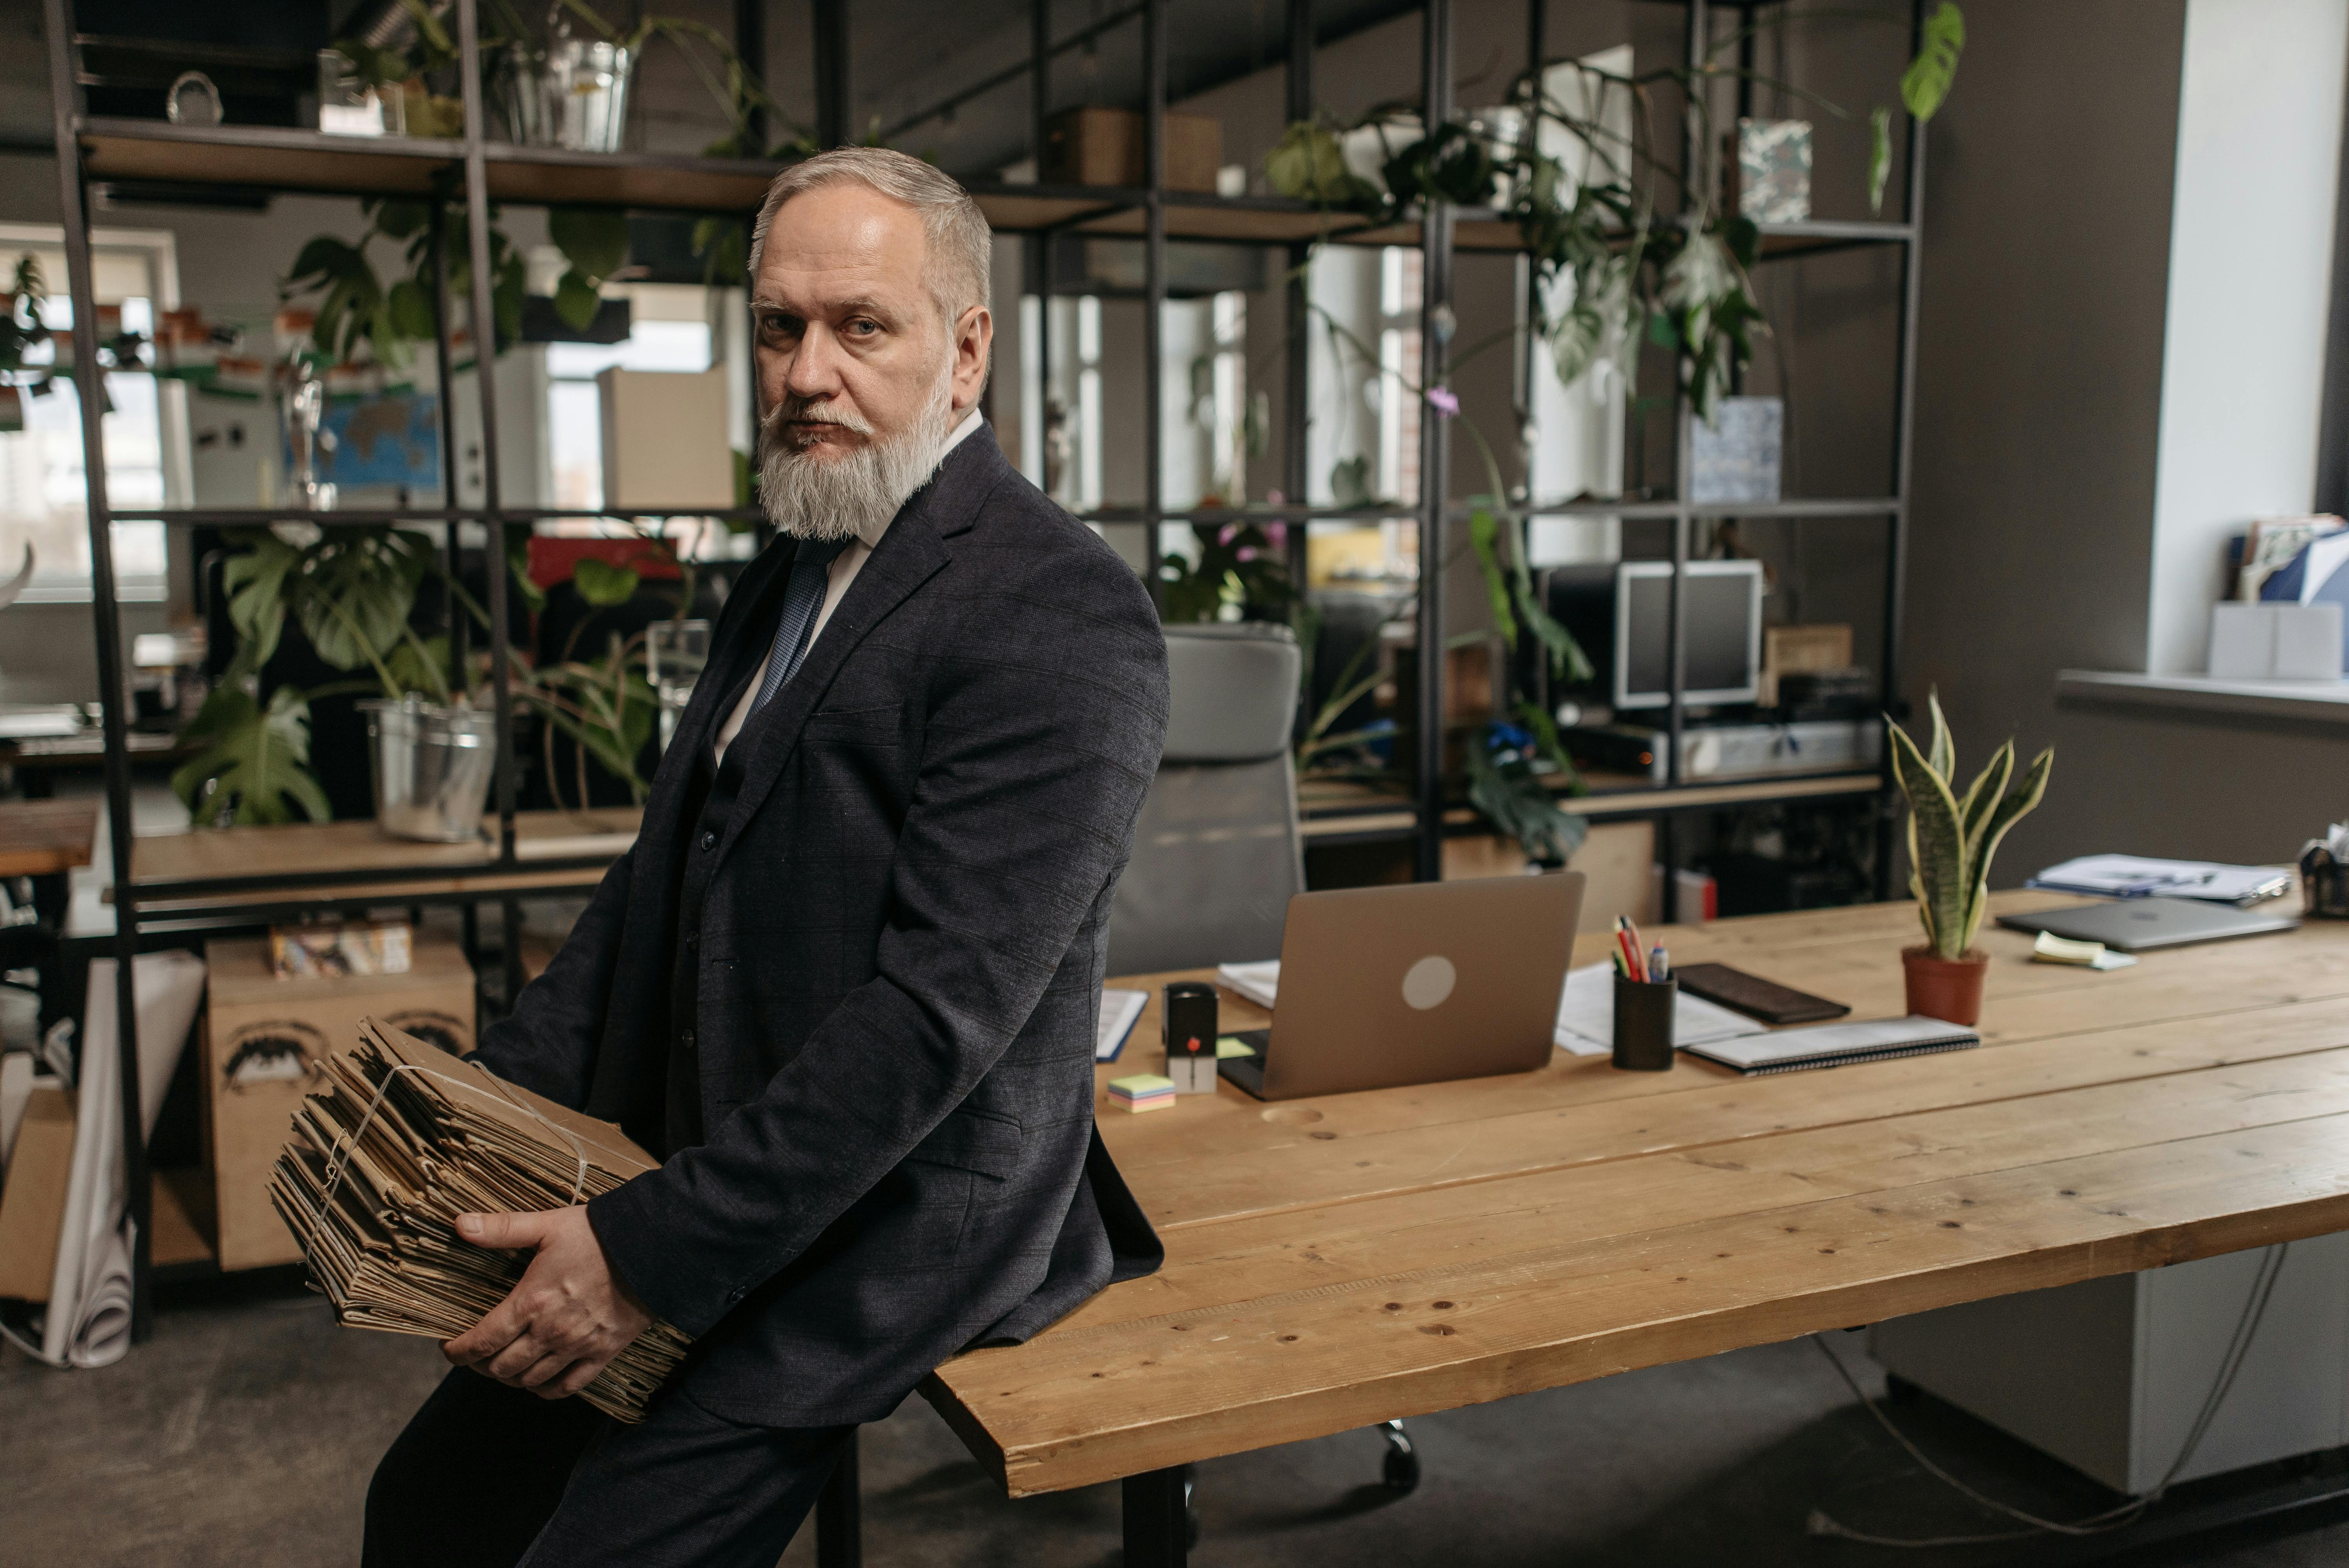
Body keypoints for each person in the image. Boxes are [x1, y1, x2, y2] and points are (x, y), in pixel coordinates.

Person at [362, 147, 1170, 1568]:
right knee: (426, 1513)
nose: (808, 373)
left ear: (966, 349)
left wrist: (644, 1256)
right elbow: (657, 884)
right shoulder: (803, 550)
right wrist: (472, 1102)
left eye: (862, 326)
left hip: (895, 1209)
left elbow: (936, 1025)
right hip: (713, 1151)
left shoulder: (1060, 612)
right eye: (780, 328)